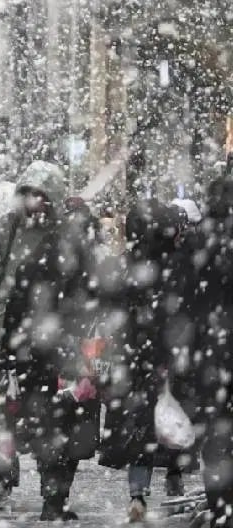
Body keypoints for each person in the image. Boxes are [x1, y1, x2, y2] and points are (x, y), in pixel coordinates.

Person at [0, 161, 101, 521]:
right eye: (30, 194)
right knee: (24, 418)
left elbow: (90, 287)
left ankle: (56, 495)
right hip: (20, 339)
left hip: (63, 345)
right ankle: (27, 487)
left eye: (43, 195)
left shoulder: (70, 237)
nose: (36, 201)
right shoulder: (8, 228)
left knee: (65, 421)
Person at [98, 200, 196, 522]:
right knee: (173, 420)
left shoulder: (128, 265)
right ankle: (175, 480)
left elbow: (113, 307)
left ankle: (138, 491)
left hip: (136, 357)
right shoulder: (177, 266)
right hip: (169, 355)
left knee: (140, 427)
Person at [172, 176, 233, 527]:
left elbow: (182, 305)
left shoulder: (195, 245)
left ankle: (220, 505)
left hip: (208, 355)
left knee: (216, 433)